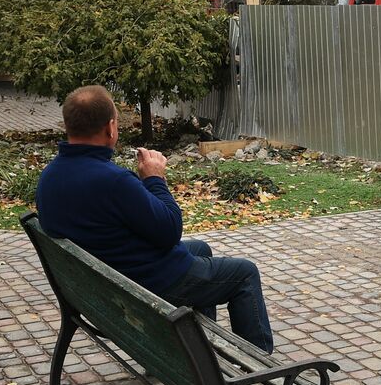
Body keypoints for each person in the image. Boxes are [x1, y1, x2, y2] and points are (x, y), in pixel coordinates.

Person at [35, 85, 274, 353]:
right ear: (110, 128)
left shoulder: (50, 177)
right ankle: (264, 374)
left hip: (107, 285)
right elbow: (170, 229)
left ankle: (200, 353)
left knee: (201, 249)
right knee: (244, 273)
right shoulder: (113, 181)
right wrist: (154, 178)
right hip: (145, 285)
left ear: (69, 126)